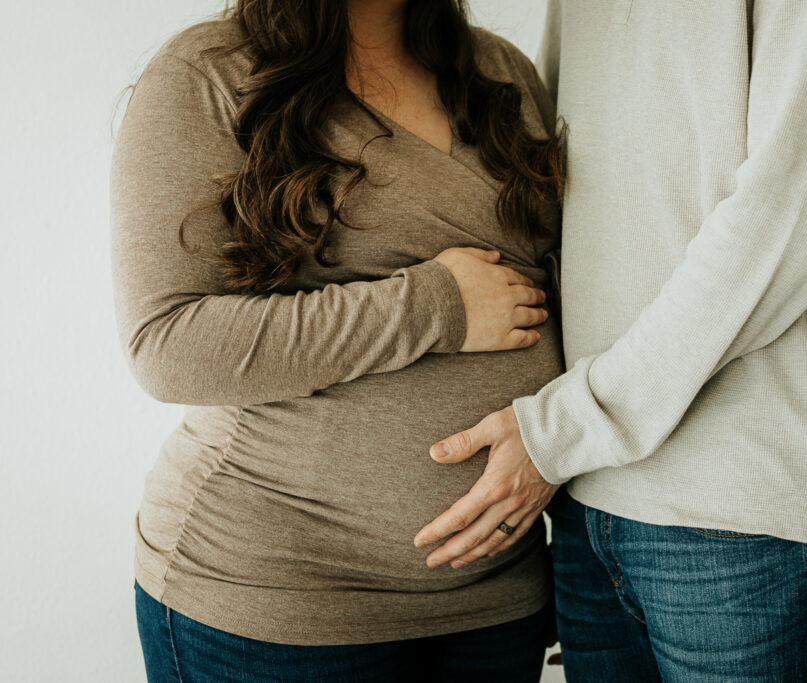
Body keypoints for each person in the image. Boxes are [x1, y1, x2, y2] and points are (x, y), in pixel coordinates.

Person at [416, 1, 807, 680]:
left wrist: (564, 428)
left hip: (749, 513)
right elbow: (562, 173)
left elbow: (788, 223)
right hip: (587, 498)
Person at [110, 1, 565, 680]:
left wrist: (555, 435)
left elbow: (566, 290)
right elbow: (168, 342)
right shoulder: (206, 74)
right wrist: (431, 306)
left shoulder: (500, 73)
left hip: (495, 607)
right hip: (276, 605)